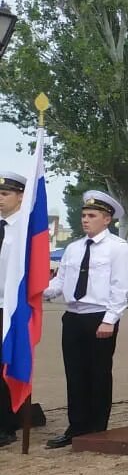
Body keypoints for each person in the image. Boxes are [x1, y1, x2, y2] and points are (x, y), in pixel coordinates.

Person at [44, 190, 128, 449]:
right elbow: (60, 282)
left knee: (98, 373)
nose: (85, 220)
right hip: (73, 317)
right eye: (83, 215)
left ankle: (96, 428)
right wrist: (38, 290)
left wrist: (110, 319)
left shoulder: (118, 249)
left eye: (92, 215)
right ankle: (77, 426)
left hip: (99, 316)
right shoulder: (73, 248)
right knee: (74, 373)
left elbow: (120, 288)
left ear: (107, 219)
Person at [0, 171, 27, 446]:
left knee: (7, 365)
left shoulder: (26, 229)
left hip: (11, 308)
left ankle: (6, 425)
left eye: (5, 193)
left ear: (20, 196)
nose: (0, 199)